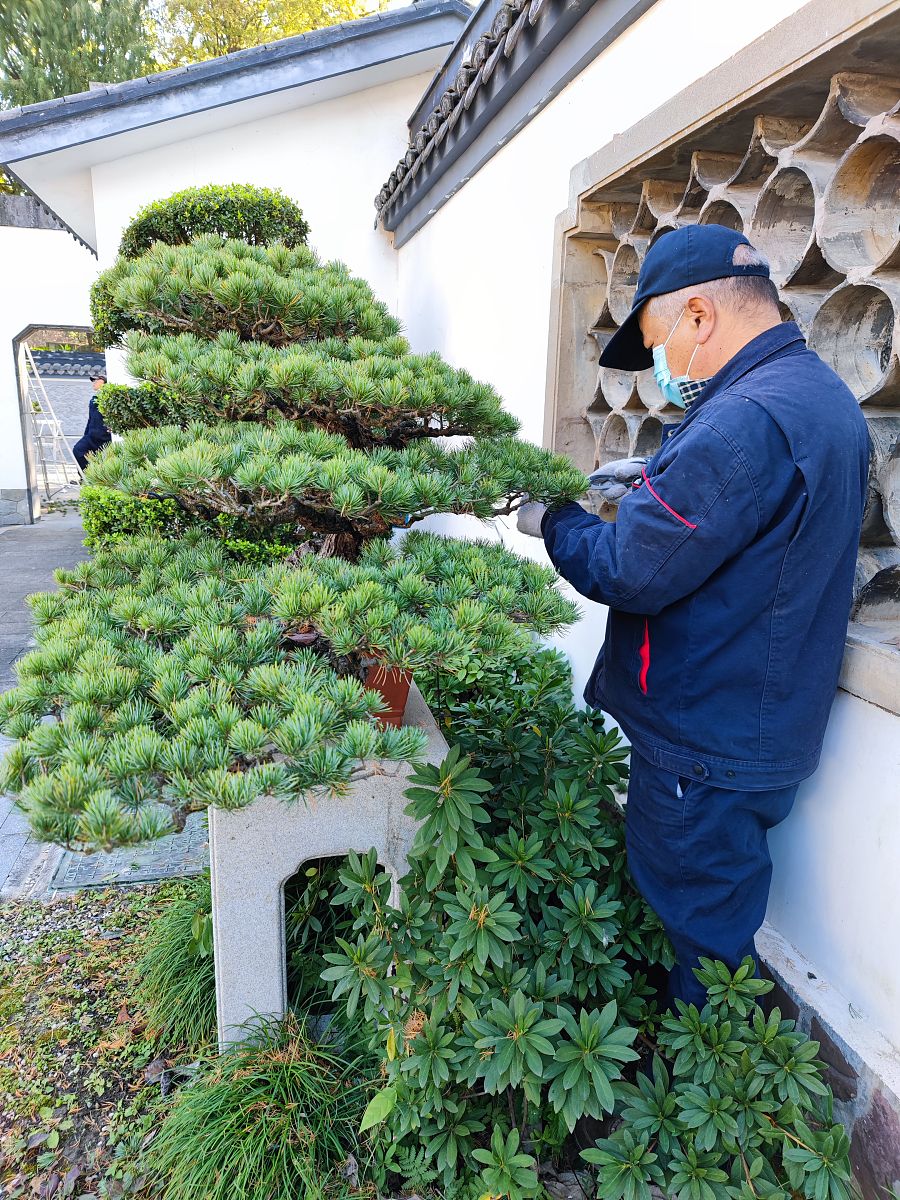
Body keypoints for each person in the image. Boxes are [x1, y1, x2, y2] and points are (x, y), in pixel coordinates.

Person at [532, 224, 869, 1008]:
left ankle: (712, 1100)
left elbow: (628, 569)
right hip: (754, 726)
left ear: (697, 315)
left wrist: (554, 519)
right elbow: (758, 534)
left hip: (704, 745)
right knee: (709, 919)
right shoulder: (819, 397)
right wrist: (662, 476)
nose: (658, 370)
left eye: (656, 344)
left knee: (704, 943)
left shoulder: (742, 422)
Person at [73, 368, 112, 471]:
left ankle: (97, 478)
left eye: (97, 380)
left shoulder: (110, 399)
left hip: (105, 438)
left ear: (104, 383)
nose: (94, 383)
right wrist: (86, 434)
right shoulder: (93, 399)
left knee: (106, 461)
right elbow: (90, 419)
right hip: (91, 435)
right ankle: (86, 476)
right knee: (78, 450)